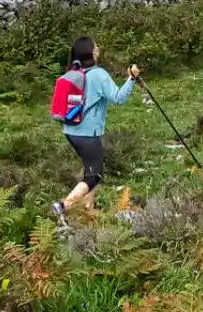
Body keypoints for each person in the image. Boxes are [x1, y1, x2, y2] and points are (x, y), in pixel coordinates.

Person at [52, 35, 139, 220]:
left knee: (89, 168)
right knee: (95, 176)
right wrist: (131, 79)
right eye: (96, 46)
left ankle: (88, 209)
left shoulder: (73, 72)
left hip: (70, 131)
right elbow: (119, 98)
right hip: (88, 135)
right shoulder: (98, 74)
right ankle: (63, 205)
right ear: (90, 52)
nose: (98, 49)